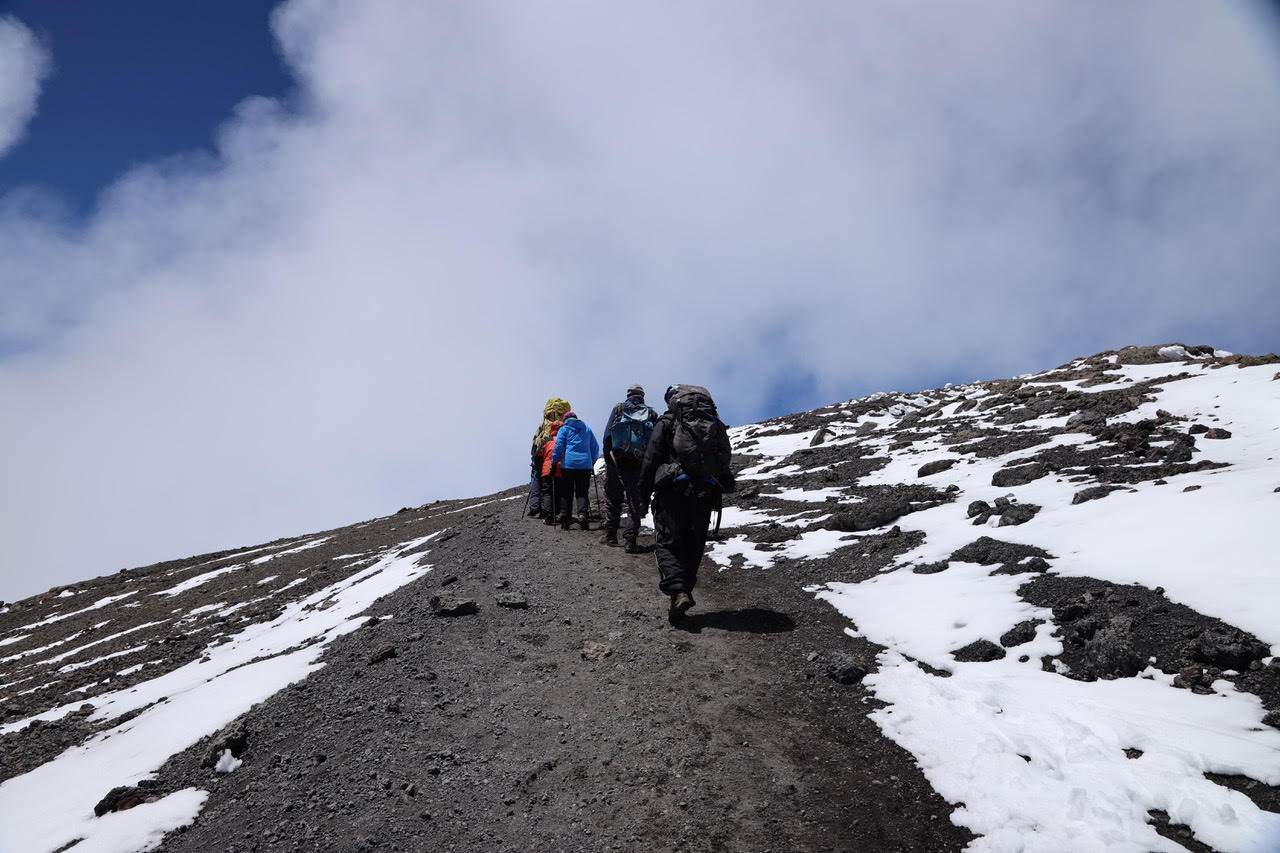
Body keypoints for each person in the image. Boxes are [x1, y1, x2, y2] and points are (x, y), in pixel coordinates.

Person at [638, 384, 734, 623]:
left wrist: (642, 494)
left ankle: (678, 591)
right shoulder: (714, 424)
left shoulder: (667, 421)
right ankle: (684, 591)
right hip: (704, 491)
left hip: (672, 488)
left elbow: (651, 458)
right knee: (694, 544)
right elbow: (721, 462)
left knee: (668, 542)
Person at [599, 384, 657, 552]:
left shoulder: (618, 408)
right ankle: (630, 539)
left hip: (617, 458)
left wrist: (608, 457)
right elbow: (655, 441)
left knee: (612, 495)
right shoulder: (651, 413)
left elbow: (607, 434)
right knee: (634, 499)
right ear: (642, 396)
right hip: (638, 460)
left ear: (628, 395)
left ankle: (611, 534)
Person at [551, 411, 600, 530]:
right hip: (585, 465)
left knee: (566, 492)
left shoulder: (564, 429)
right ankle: (582, 514)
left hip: (568, 465)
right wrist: (592, 461)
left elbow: (559, 446)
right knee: (582, 492)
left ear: (565, 419)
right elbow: (595, 448)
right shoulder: (587, 429)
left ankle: (565, 519)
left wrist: (554, 461)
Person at [528, 397, 570, 518]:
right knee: (558, 484)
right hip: (559, 455)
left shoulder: (544, 423)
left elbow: (536, 439)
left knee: (540, 480)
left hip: (543, 451)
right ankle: (556, 511)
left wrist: (534, 455)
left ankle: (538, 507)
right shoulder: (564, 425)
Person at [537, 418, 565, 525]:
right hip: (561, 468)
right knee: (559, 491)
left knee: (547, 491)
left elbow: (538, 455)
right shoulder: (564, 441)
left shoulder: (546, 441)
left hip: (547, 469)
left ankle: (548, 515)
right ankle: (558, 513)